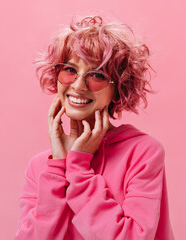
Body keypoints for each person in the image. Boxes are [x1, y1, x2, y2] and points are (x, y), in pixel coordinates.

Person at [14, 15, 175, 240]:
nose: (79, 85)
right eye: (69, 70)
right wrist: (60, 167)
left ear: (118, 89)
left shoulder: (143, 152)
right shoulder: (41, 167)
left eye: (97, 75)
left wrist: (78, 170)